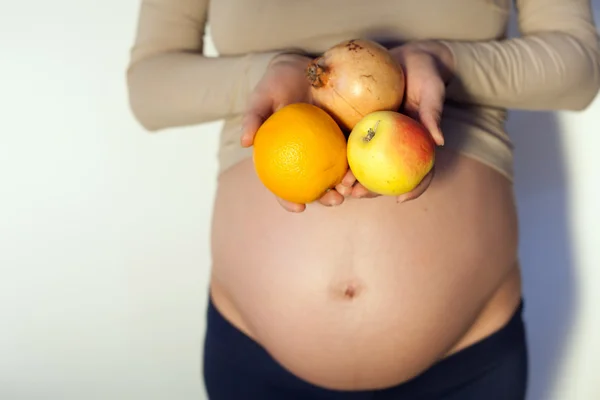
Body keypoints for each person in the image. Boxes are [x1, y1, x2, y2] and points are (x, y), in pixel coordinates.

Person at [126, 0, 600, 398]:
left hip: (467, 357)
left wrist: (444, 61)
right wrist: (270, 72)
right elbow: (149, 86)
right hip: (256, 357)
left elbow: (580, 67)